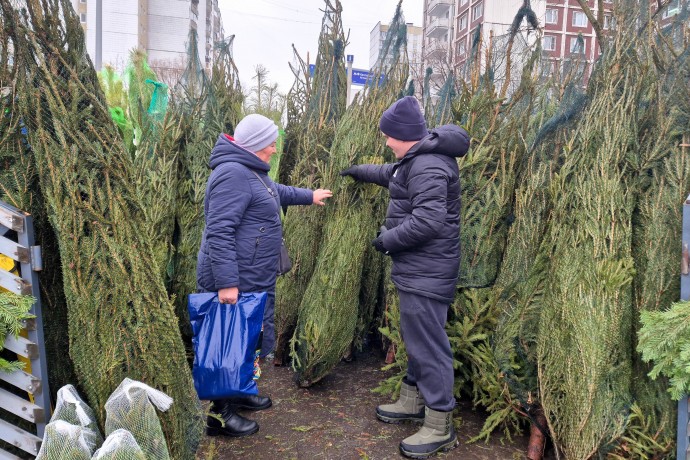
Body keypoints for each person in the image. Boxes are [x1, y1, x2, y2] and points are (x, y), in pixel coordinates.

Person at [340, 96, 469, 458]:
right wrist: (356, 170)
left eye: (387, 136)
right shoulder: (414, 159)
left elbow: (429, 221)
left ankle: (439, 424)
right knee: (417, 339)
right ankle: (413, 401)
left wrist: (386, 241)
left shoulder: (427, 166)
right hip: (418, 269)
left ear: (403, 136)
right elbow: (389, 174)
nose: (385, 142)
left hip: (427, 271)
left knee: (429, 345)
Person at [196, 113, 333, 437]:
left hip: (253, 275)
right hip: (234, 280)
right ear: (256, 145)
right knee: (227, 346)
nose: (274, 149)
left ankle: (240, 392)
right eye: (271, 143)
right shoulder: (232, 174)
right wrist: (227, 283)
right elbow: (219, 232)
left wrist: (309, 196)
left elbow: (275, 192)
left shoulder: (251, 171)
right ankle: (219, 415)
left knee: (248, 340)